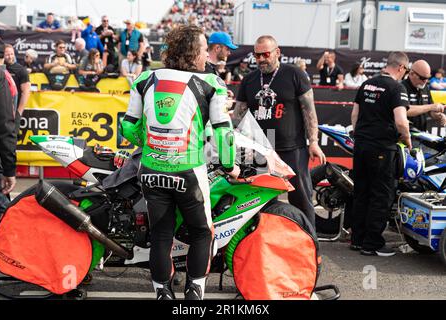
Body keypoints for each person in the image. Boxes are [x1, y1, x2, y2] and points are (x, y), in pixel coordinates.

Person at [120, 25, 239, 300]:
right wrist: (230, 166)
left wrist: (150, 143)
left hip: (150, 170)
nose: (207, 54)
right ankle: (194, 291)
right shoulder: (211, 83)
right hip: (189, 173)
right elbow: (223, 133)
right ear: (193, 52)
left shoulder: (145, 78)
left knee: (161, 233)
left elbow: (128, 128)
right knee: (201, 232)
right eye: (203, 49)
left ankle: (162, 292)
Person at [233, 35, 326, 228]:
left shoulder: (294, 74)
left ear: (277, 52)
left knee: (301, 198)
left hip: (292, 149)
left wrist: (314, 141)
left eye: (265, 54)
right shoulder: (249, 80)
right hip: (260, 150)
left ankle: (310, 245)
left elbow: (309, 111)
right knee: (258, 200)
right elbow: (238, 116)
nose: (261, 59)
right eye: (257, 55)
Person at [350, 52, 412, 257]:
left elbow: (354, 115)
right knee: (381, 195)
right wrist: (407, 140)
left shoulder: (367, 84)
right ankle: (373, 243)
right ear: (401, 68)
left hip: (361, 146)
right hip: (382, 148)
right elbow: (402, 121)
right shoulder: (397, 88)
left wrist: (360, 135)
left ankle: (358, 240)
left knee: (361, 192)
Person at [0, 44, 17, 224]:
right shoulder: (2, 76)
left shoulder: (4, 77)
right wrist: (9, 168)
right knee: (2, 213)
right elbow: (5, 125)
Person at [402, 60, 446, 131]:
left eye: (428, 78)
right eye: (422, 78)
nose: (425, 81)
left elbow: (430, 111)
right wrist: (431, 107)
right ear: (412, 73)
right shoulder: (402, 87)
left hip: (421, 133)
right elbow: (404, 110)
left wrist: (439, 116)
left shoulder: (425, 87)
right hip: (405, 134)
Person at [4, 45, 30, 117]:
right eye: (7, 55)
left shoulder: (21, 70)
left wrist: (19, 112)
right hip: (1, 109)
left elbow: (26, 93)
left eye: (12, 54)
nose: (10, 57)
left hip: (14, 111)